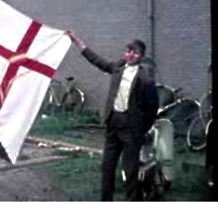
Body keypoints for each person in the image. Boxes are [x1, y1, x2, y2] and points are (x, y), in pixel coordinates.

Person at [66, 30, 159, 201]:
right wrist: (77, 42)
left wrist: (140, 129)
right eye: (128, 50)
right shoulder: (117, 67)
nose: (130, 54)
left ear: (141, 56)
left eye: (135, 52)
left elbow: (152, 108)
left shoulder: (146, 79)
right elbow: (96, 60)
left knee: (130, 170)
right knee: (107, 167)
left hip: (131, 129)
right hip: (113, 124)